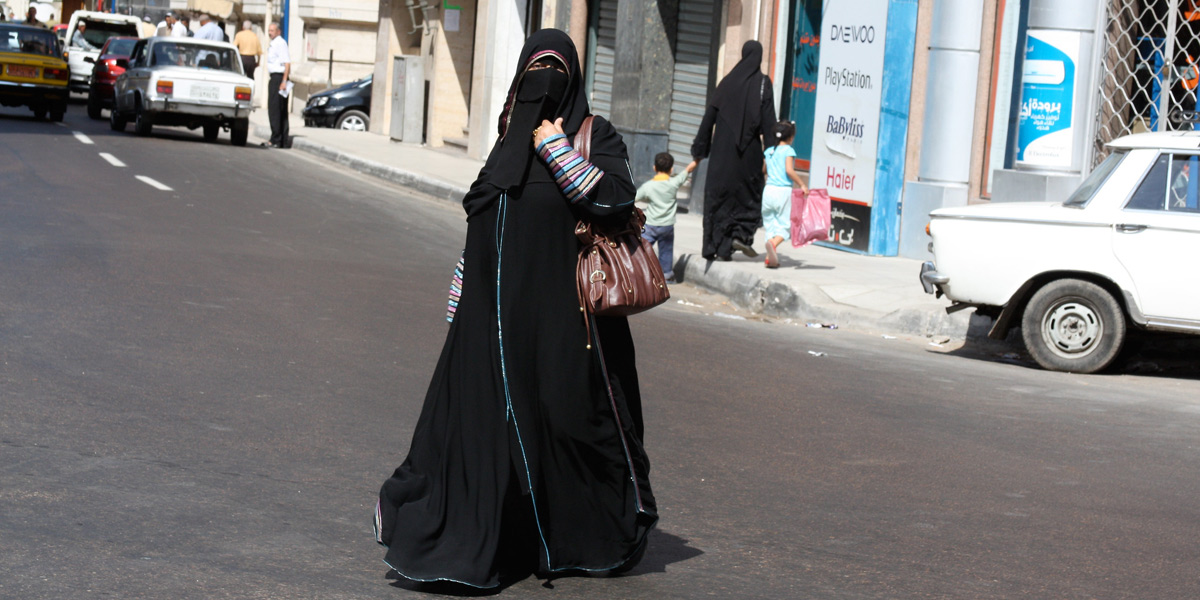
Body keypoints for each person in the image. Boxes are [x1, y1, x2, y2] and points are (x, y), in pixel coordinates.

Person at [374, 28, 656, 589]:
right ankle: (476, 540)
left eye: (554, 71)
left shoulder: (592, 136)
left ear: (573, 79)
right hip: (495, 326)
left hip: (566, 328)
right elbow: (482, 227)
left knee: (569, 429)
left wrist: (553, 148)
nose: (542, 85)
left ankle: (584, 537)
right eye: (534, 71)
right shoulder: (506, 140)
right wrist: (461, 298)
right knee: (481, 434)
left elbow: (614, 198)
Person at [691, 40, 777, 262]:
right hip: (749, 154)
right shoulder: (763, 84)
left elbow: (709, 116)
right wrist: (772, 154)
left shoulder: (726, 83)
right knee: (748, 194)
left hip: (722, 151)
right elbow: (769, 124)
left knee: (719, 195)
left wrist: (700, 148)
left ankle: (714, 246)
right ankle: (736, 237)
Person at [635, 152, 696, 282]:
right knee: (666, 251)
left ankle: (639, 273)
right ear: (672, 169)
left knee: (643, 249)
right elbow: (688, 169)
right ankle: (667, 276)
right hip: (667, 226)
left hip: (650, 225)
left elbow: (633, 198)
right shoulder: (674, 183)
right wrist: (699, 158)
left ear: (654, 168)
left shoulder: (648, 186)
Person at [761, 120, 809, 268]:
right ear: (791, 137)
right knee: (785, 225)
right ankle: (773, 243)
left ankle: (770, 257)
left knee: (770, 224)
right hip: (782, 192)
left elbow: (764, 170)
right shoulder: (788, 151)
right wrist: (801, 184)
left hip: (768, 190)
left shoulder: (769, 151)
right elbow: (789, 170)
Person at [265, 22, 290, 148]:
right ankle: (280, 139)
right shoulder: (274, 43)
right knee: (278, 110)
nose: (270, 33)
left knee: (276, 110)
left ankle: (276, 139)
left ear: (278, 31)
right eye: (269, 30)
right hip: (275, 78)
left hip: (278, 79)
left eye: (272, 30)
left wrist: (284, 81)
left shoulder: (280, 43)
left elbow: (287, 63)